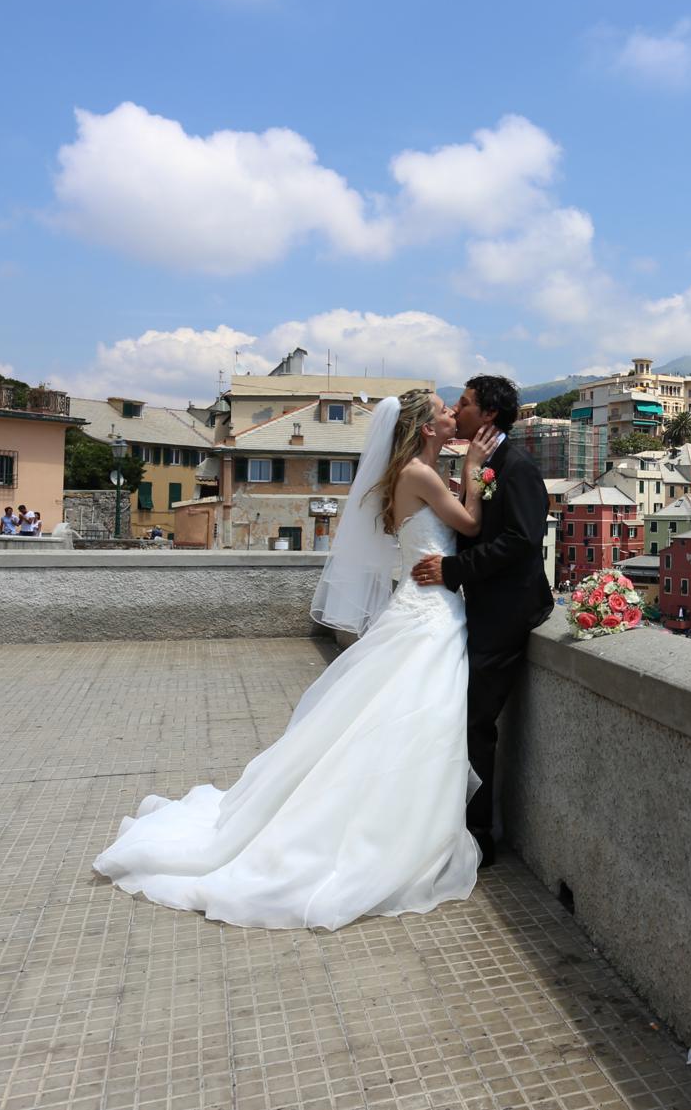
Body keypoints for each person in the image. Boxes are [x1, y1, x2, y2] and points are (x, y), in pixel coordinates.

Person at [95, 389, 493, 929]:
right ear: (426, 428)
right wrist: (473, 468)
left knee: (405, 721)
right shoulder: (420, 476)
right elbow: (469, 526)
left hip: (426, 609)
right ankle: (396, 832)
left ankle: (402, 821)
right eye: (446, 410)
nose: (453, 415)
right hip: (430, 615)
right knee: (420, 720)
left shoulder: (414, 473)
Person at [408, 375, 552, 869]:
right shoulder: (483, 464)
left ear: (488, 415)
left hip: (508, 612)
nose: (458, 409)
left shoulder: (517, 468)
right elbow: (476, 529)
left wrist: (453, 569)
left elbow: (521, 541)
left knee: (474, 722)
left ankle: (477, 835)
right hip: (478, 608)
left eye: (465, 404)